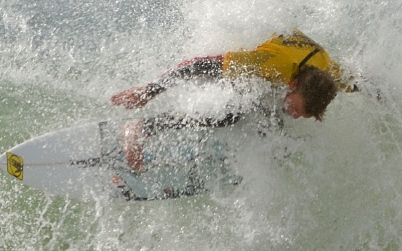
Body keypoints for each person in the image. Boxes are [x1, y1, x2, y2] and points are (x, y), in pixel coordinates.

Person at [111, 30, 356, 172]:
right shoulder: (270, 64)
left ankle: (231, 156)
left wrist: (382, 92)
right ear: (293, 85)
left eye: (301, 114)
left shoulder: (328, 71)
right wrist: (148, 91)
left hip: (274, 73)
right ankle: (140, 128)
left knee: (277, 141)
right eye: (297, 108)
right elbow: (197, 65)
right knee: (232, 114)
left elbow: (355, 82)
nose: (295, 115)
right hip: (247, 64)